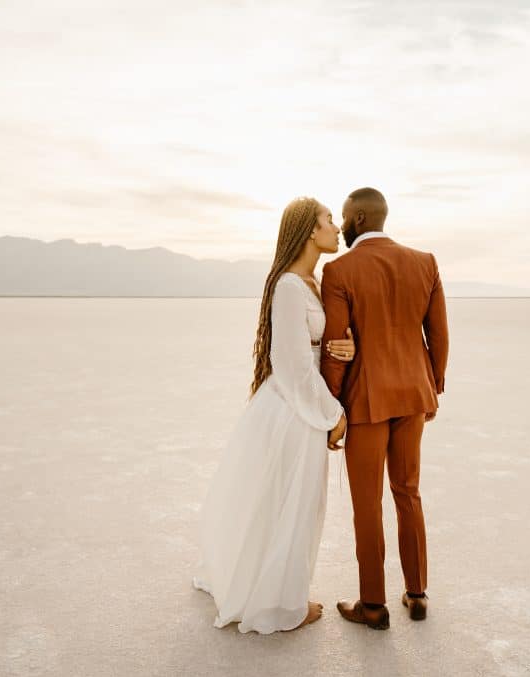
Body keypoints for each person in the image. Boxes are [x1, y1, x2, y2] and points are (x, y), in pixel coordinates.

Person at [192, 197, 355, 634]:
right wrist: (333, 414)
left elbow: (317, 348)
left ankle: (283, 593)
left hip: (302, 407)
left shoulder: (311, 283)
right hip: (291, 412)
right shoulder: (287, 286)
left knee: (295, 505)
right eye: (328, 220)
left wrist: (347, 347)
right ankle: (281, 606)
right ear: (308, 231)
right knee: (292, 506)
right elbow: (292, 365)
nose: (336, 227)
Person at [320, 187, 449, 630]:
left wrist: (330, 407)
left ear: (358, 217)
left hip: (365, 401)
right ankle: (417, 594)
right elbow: (439, 337)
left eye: (343, 216)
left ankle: (372, 605)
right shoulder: (424, 262)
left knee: (367, 503)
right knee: (408, 492)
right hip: (413, 395)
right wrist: (433, 388)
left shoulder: (338, 271)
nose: (341, 224)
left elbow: (336, 348)